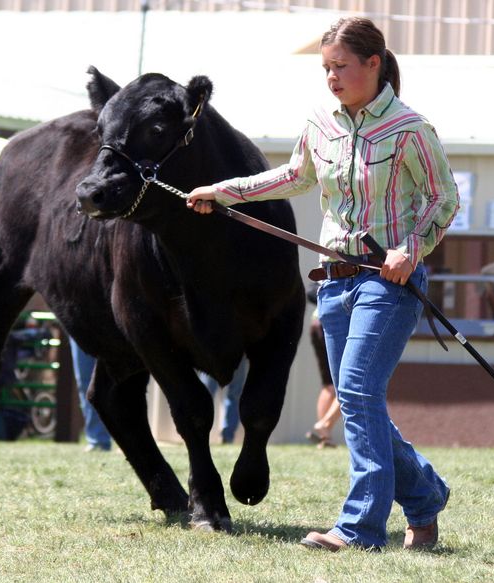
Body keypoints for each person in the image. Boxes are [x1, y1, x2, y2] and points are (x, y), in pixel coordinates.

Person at [187, 17, 458, 551]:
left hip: (388, 281)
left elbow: (442, 199)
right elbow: (291, 176)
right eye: (325, 69)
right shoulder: (321, 122)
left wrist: (412, 246)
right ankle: (424, 499)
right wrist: (222, 191)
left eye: (341, 67)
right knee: (361, 401)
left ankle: (359, 529)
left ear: (373, 64)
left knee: (356, 391)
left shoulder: (410, 128)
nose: (331, 78)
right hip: (334, 284)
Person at [305, 286, 341, 449]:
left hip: (317, 323)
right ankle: (325, 424)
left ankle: (324, 436)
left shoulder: (329, 266)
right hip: (333, 324)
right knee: (351, 382)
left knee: (328, 385)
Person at [69, 337, 112, 452]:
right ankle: (97, 440)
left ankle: (129, 441)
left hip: (110, 325)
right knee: (85, 384)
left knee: (119, 380)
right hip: (78, 324)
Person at [197, 355, 248, 444]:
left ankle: (227, 437)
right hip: (214, 351)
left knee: (205, 393)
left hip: (234, 351)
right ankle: (197, 432)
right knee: (204, 393)